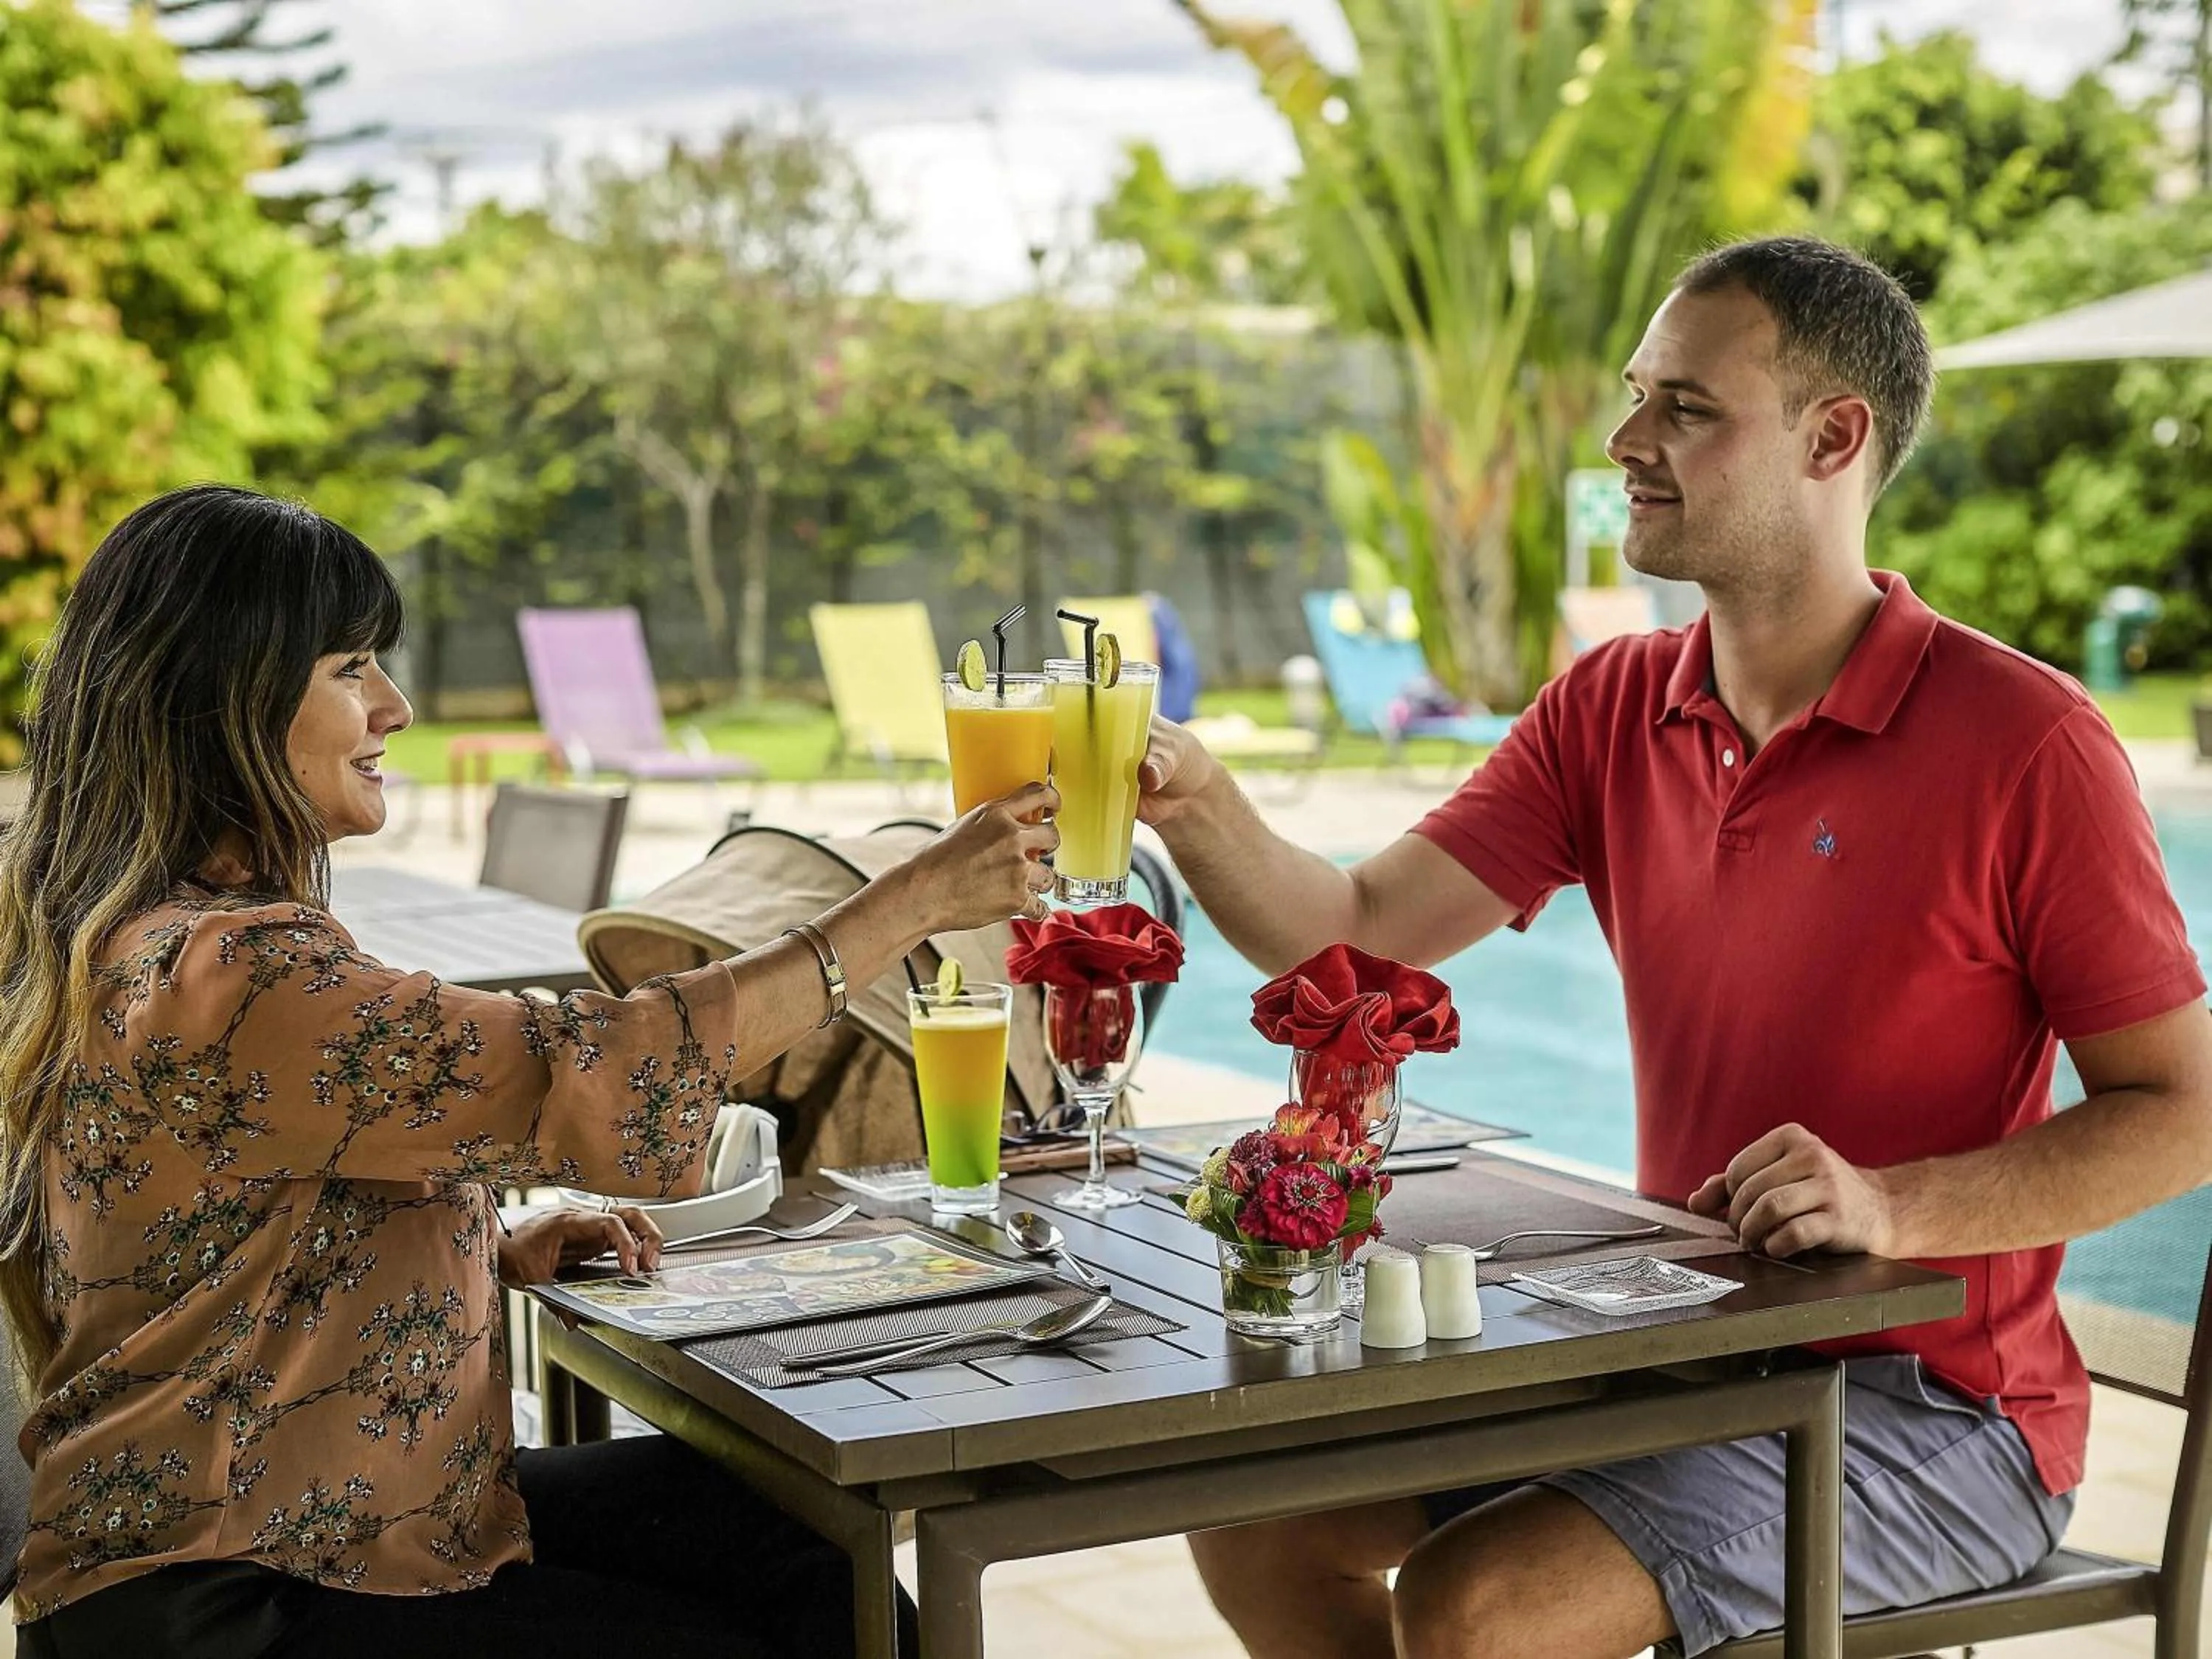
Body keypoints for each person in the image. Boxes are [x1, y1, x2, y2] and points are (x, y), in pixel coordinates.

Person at [1138, 237, 2212, 1659]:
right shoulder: (1613, 704)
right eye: (1640, 396)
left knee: (1484, 1606)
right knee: (1258, 1508)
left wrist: (1890, 1205)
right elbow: (1358, 936)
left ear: (1836, 438)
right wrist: (1196, 797)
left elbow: (2187, 1108)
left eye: (1686, 409)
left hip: (1942, 1416)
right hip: (1673, 1348)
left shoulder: (2027, 743)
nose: (1626, 439)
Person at [1, 485, 1059, 1659]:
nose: (395, 706)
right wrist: (911, 901)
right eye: (351, 667)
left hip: (305, 1511)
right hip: (239, 1588)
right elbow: (602, 1064)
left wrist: (466, 1245)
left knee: (802, 1547)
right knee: (789, 1619)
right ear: (222, 701)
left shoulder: (140, 930)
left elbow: (192, 1235)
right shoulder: (229, 971)